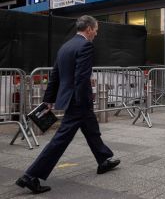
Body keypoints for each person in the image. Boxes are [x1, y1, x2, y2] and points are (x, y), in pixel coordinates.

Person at [16, 15, 120, 194]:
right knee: (61, 139)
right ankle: (31, 176)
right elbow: (81, 77)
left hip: (72, 99)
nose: (96, 33)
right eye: (95, 30)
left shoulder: (65, 46)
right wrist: (82, 102)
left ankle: (103, 160)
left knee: (91, 129)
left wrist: (47, 99)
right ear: (88, 29)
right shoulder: (85, 45)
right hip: (78, 101)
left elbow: (55, 75)